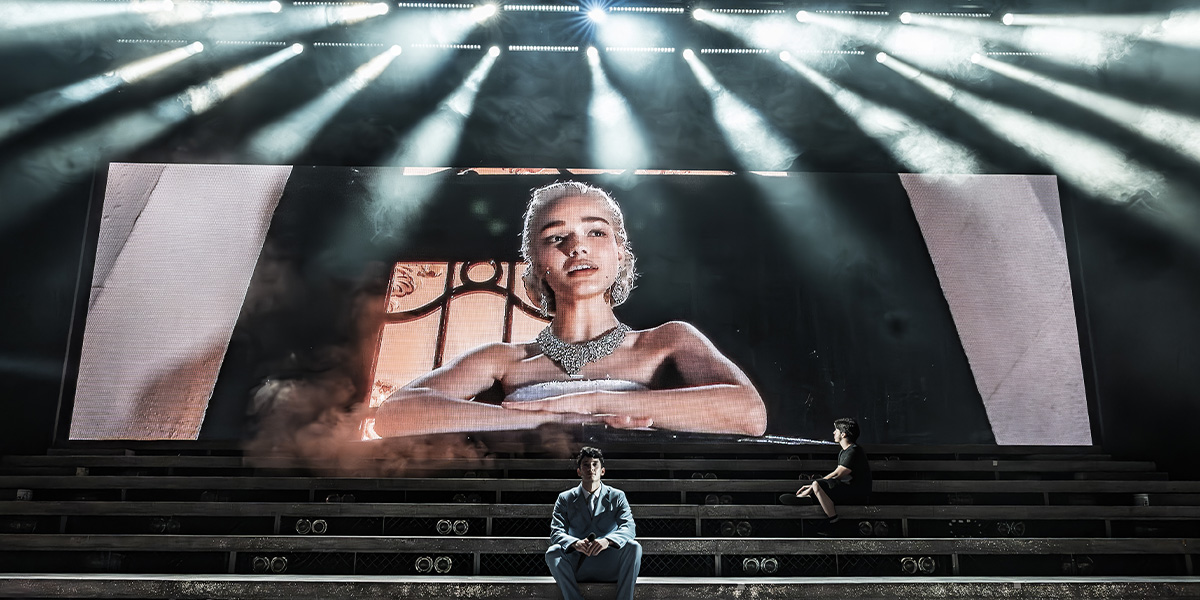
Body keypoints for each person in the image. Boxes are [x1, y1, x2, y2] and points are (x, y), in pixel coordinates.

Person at [374, 181, 767, 437]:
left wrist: (592, 402)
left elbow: (749, 413)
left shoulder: (666, 341)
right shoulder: (504, 359)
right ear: (537, 264)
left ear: (619, 252)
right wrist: (549, 419)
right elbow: (396, 414)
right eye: (556, 237)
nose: (577, 246)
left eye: (596, 232)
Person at [546, 447, 641, 600]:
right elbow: (556, 532)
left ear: (602, 471)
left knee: (634, 547)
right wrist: (575, 543)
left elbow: (629, 528)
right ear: (579, 471)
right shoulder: (565, 498)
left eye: (595, 464)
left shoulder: (617, 496)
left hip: (609, 562)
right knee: (553, 552)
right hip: (578, 565)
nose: (591, 468)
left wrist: (607, 541)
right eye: (586, 464)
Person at [780, 418, 872, 532]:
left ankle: (834, 521)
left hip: (858, 494)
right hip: (850, 490)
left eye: (836, 430)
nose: (833, 433)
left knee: (818, 485)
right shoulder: (845, 451)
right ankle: (808, 499)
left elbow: (838, 474)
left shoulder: (854, 451)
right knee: (819, 488)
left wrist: (813, 486)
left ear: (843, 434)